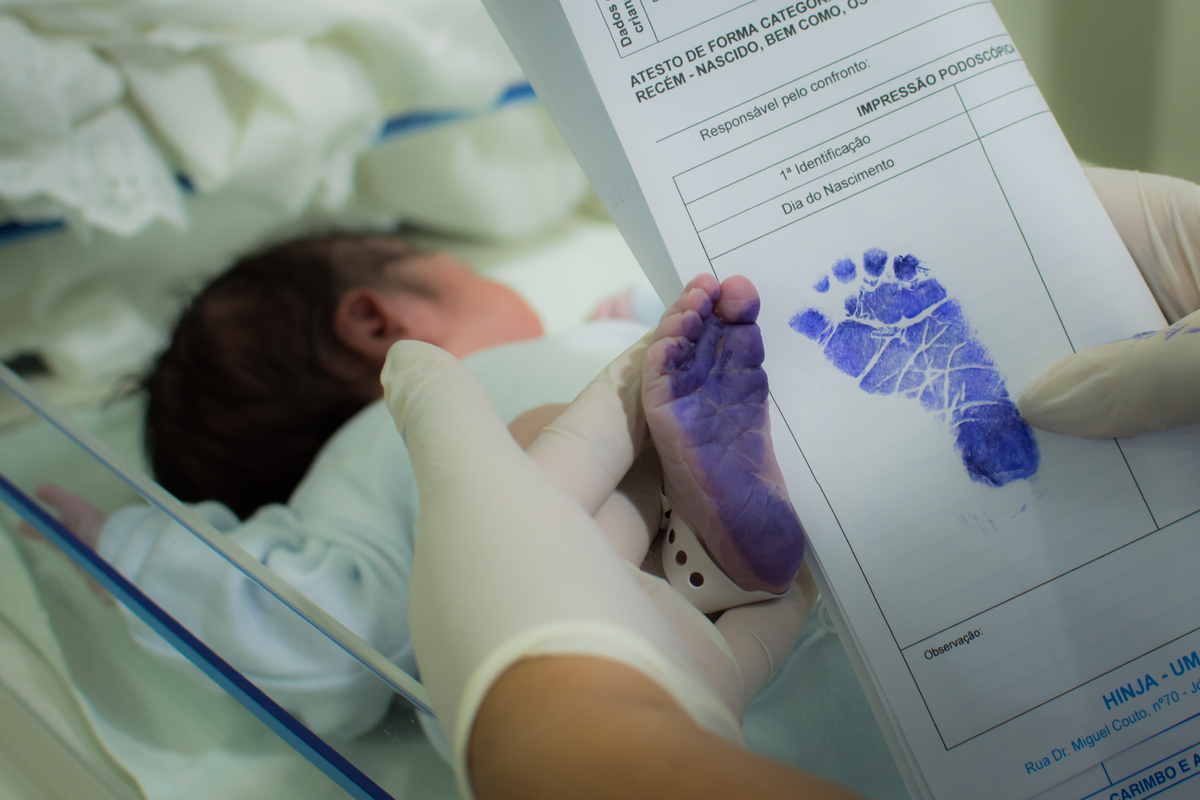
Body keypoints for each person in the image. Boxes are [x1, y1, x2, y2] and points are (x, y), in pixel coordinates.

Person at [32, 231, 812, 742]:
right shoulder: (367, 449)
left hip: (630, 654)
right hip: (663, 525)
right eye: (455, 263)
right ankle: (710, 537)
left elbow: (298, 626)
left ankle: (710, 551)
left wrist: (126, 552)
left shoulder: (578, 336)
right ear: (378, 321)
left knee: (557, 465)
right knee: (541, 441)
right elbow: (312, 630)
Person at [383, 273, 852, 800]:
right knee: (553, 438)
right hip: (683, 705)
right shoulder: (562, 339)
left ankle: (712, 569)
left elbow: (320, 681)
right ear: (372, 318)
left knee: (556, 461)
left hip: (687, 695)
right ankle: (710, 563)